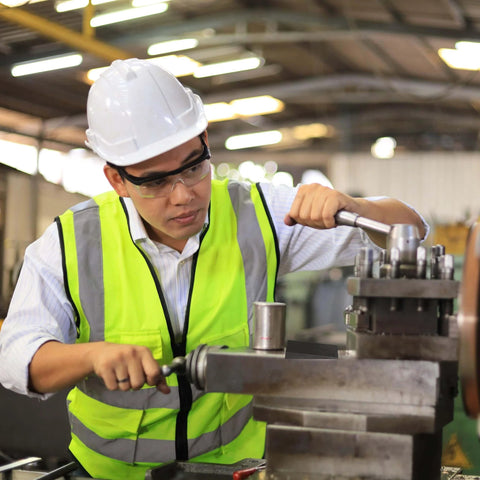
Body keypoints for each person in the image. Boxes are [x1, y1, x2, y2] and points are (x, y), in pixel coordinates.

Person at [0, 58, 427, 480]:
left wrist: (356, 207)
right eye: (155, 181)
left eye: (192, 166)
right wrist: (91, 355)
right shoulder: (71, 242)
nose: (183, 195)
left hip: (232, 470)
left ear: (205, 139)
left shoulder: (259, 214)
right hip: (112, 473)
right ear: (117, 180)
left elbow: (411, 227)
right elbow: (15, 357)